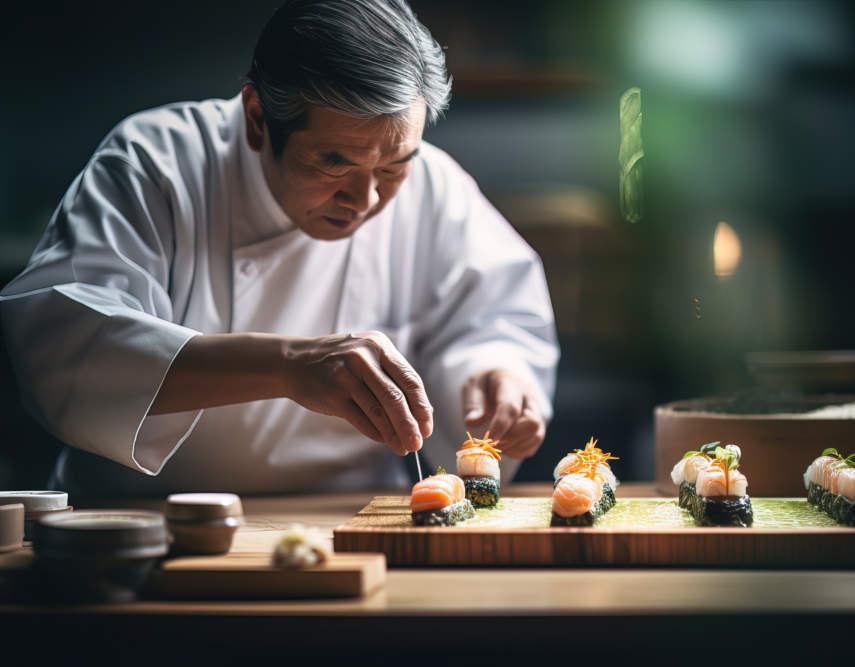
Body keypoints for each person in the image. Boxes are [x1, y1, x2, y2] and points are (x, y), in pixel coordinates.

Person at [0, 0, 558, 495]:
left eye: (393, 167)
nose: (365, 199)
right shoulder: (157, 165)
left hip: (358, 517)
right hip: (144, 521)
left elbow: (495, 318)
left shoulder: (434, 185)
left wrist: (496, 372)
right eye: (334, 162)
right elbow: (67, 346)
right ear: (257, 118)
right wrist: (289, 367)